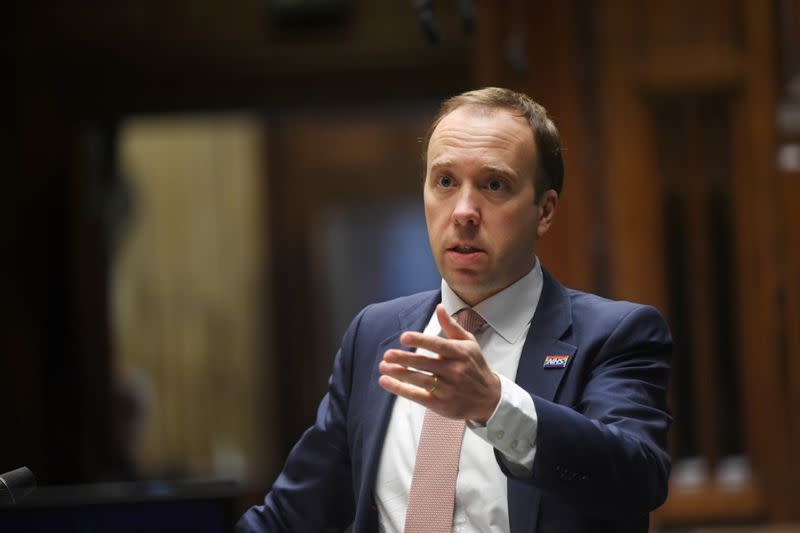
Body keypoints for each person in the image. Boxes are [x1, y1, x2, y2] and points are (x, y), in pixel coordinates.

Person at [236, 87, 672, 533]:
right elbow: (292, 516)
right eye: (445, 181)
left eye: (494, 184)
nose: (464, 211)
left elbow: (638, 479)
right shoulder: (376, 334)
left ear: (545, 211)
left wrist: (495, 405)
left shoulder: (613, 335)